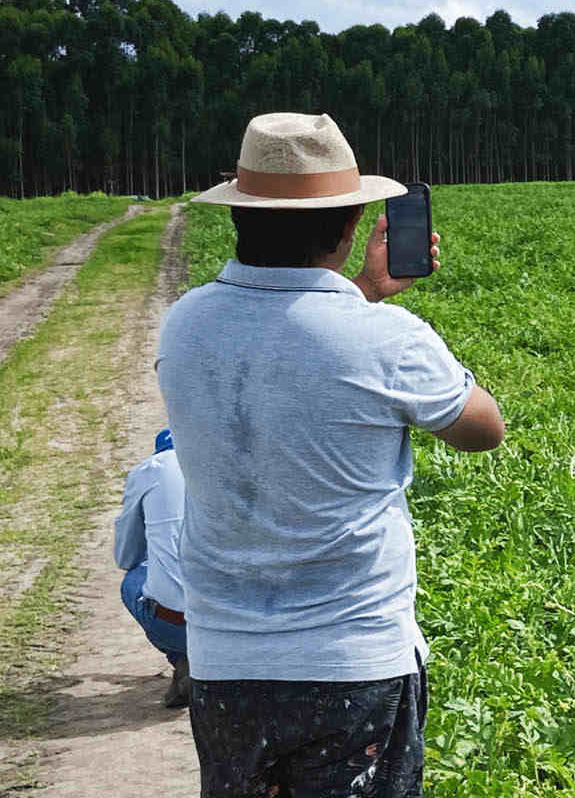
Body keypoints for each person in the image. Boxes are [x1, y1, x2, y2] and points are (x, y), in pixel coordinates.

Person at [156, 112, 504, 797]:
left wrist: (361, 295)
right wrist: (372, 304)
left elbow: (285, 351)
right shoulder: (383, 341)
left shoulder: (185, 323)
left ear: (239, 217)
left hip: (225, 661)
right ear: (350, 227)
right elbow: (482, 428)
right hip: (353, 662)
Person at [114, 425, 189, 707]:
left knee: (133, 581)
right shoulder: (229, 466)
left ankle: (181, 657)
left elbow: (125, 558)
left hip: (175, 623)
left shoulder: (150, 470)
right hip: (239, 620)